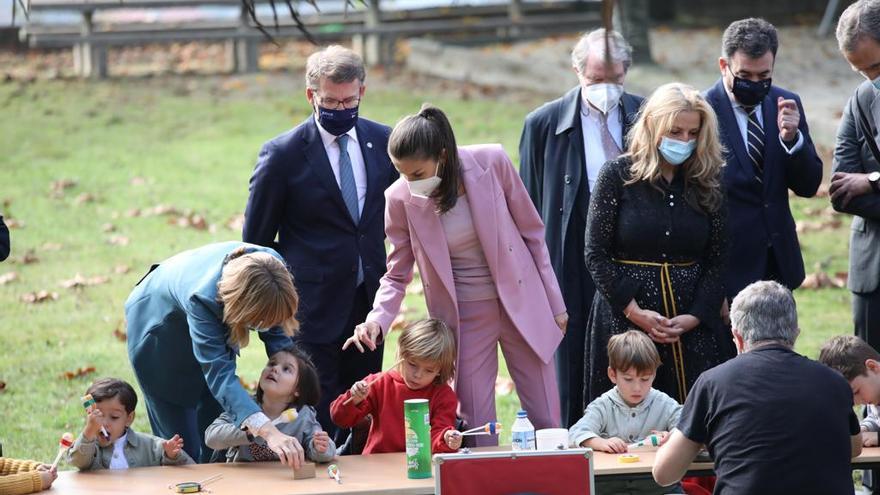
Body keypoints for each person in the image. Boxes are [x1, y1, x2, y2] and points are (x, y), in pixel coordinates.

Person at [344, 105, 567, 443]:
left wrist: (556, 303)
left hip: (522, 301)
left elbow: (533, 233)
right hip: (463, 316)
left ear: (442, 157)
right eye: (402, 174)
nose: (410, 183)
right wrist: (378, 320)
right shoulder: (399, 199)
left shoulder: (492, 162)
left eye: (418, 173)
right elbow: (396, 273)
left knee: (546, 414)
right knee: (475, 422)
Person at [242, 45, 398, 445]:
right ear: (311, 96)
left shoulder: (384, 142)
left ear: (362, 90)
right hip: (307, 309)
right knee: (317, 414)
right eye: (331, 101)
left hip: (368, 303)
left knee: (364, 406)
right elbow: (256, 243)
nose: (342, 108)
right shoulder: (283, 155)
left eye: (349, 99)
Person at [519, 28, 644, 427]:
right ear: (577, 72)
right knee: (573, 364)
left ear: (626, 72)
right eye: (595, 80)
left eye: (614, 79)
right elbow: (528, 206)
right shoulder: (542, 124)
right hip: (568, 258)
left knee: (633, 358)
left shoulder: (648, 117)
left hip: (632, 258)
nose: (605, 88)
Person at [584, 82, 733, 405]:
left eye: (692, 134)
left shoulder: (707, 181)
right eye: (675, 131)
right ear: (653, 126)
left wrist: (696, 315)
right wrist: (634, 310)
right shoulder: (618, 175)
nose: (684, 141)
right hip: (627, 318)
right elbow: (596, 253)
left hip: (690, 320)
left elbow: (718, 257)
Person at [653, 281, 862, 495]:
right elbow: (854, 448)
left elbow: (664, 474)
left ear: (738, 337)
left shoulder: (713, 383)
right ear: (795, 334)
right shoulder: (834, 382)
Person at [125, 241, 303, 465]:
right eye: (259, 323)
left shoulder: (272, 267)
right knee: (182, 452)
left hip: (210, 321)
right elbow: (219, 373)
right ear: (240, 309)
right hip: (159, 337)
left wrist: (303, 389)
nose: (265, 327)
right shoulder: (202, 298)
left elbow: (278, 336)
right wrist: (268, 431)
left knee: (220, 442)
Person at [705, 18, 822, 304]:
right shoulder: (702, 111)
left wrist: (792, 139)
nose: (755, 84)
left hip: (779, 262)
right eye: (745, 75)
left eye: (763, 76)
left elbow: (808, 185)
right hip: (727, 269)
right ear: (724, 66)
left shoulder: (786, 103)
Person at [570, 330, 682, 495]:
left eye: (645, 379)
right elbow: (574, 434)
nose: (637, 388)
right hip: (610, 489)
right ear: (612, 375)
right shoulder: (603, 405)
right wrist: (600, 442)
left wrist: (673, 436)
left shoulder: (664, 403)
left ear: (654, 375)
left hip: (657, 488)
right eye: (628, 379)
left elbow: (688, 424)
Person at [831, 0, 880, 359]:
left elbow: (862, 185)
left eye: (876, 66)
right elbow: (842, 193)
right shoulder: (861, 100)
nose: (871, 79)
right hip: (872, 273)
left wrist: (873, 181)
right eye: (860, 71)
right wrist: (861, 185)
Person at [330, 319, 461, 454]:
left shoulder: (443, 395)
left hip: (419, 467)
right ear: (401, 353)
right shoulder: (379, 383)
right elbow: (339, 418)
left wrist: (446, 438)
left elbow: (437, 436)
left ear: (440, 370)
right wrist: (354, 397)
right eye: (412, 364)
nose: (418, 375)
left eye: (429, 370)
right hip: (377, 465)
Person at [205, 345, 334, 463]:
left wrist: (320, 448)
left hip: (284, 483)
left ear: (298, 390)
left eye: (286, 369)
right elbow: (211, 437)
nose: (275, 368)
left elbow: (325, 453)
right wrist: (250, 430)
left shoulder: (303, 415)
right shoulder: (245, 407)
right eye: (272, 363)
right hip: (244, 482)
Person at [67, 378, 195, 469]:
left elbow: (187, 471)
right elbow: (77, 461)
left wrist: (171, 456)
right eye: (97, 416)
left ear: (129, 418)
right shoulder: (89, 447)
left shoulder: (149, 446)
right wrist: (89, 431)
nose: (104, 423)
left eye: (114, 417)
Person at [818, 335, 880, 494]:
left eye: (856, 392)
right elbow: (876, 418)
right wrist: (865, 428)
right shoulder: (874, 396)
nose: (857, 402)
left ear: (873, 367)